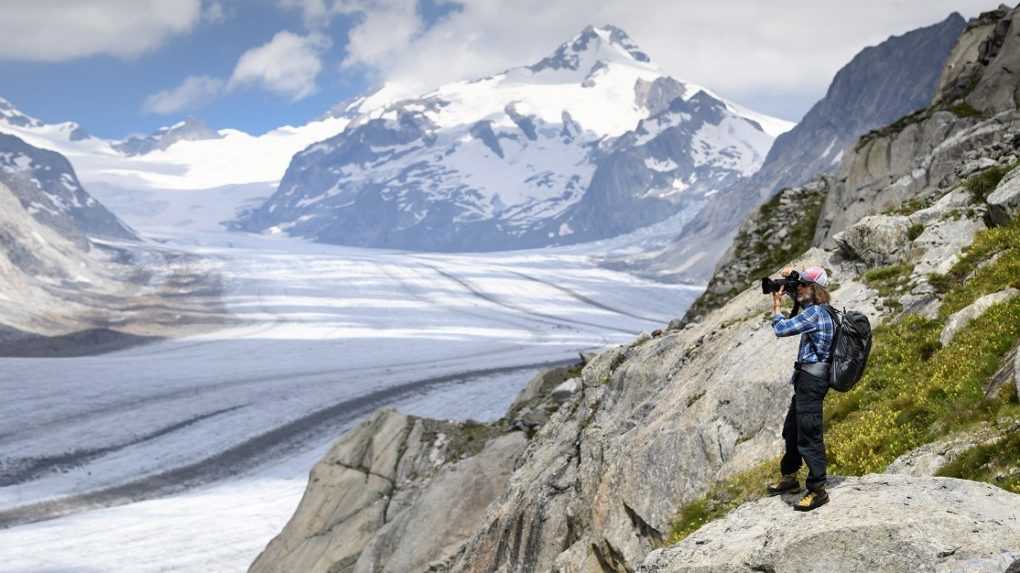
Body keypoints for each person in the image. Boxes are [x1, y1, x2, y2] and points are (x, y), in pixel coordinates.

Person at [765, 265, 834, 511]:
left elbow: (781, 329)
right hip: (806, 380)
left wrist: (776, 307)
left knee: (808, 433)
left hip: (812, 382)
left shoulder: (816, 314)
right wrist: (791, 281)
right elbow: (803, 302)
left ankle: (817, 490)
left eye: (802, 285)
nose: (799, 289)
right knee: (792, 429)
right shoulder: (819, 310)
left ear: (814, 289)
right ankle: (790, 478)